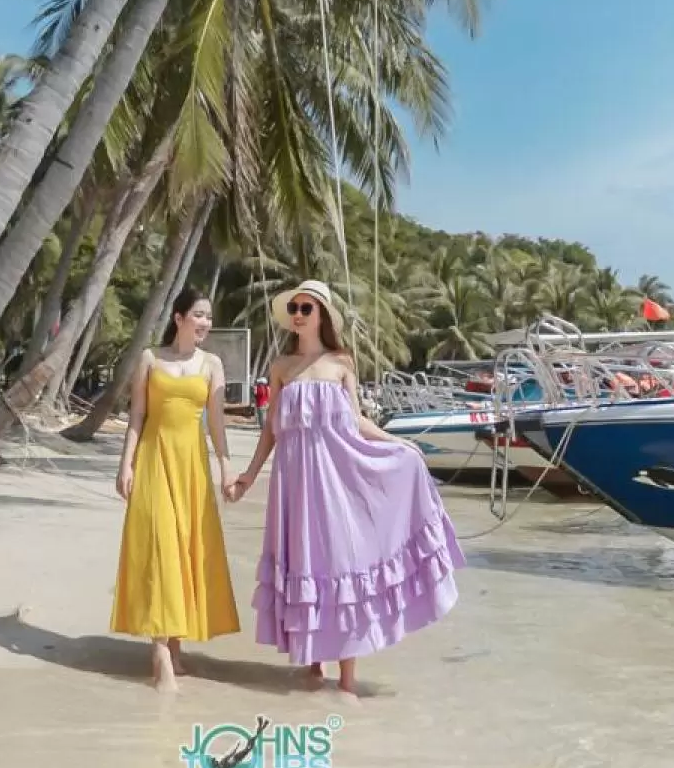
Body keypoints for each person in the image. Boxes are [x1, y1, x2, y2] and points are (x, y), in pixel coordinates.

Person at [230, 279, 463, 700]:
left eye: (306, 308)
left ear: (321, 315)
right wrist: (249, 474)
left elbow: (356, 422)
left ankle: (348, 680)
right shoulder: (282, 367)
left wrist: (398, 444)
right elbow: (271, 429)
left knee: (340, 563)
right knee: (304, 563)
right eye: (295, 309)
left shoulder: (342, 363)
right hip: (294, 483)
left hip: (337, 479)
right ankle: (314, 666)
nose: (298, 315)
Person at [110, 286, 240, 693]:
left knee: (185, 549)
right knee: (161, 548)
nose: (205, 322)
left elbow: (216, 421)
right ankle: (161, 654)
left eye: (208, 316)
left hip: (192, 467)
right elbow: (137, 415)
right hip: (153, 459)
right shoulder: (151, 358)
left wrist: (225, 465)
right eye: (198, 314)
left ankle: (176, 643)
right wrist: (125, 464)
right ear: (179, 318)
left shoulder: (212, 364)